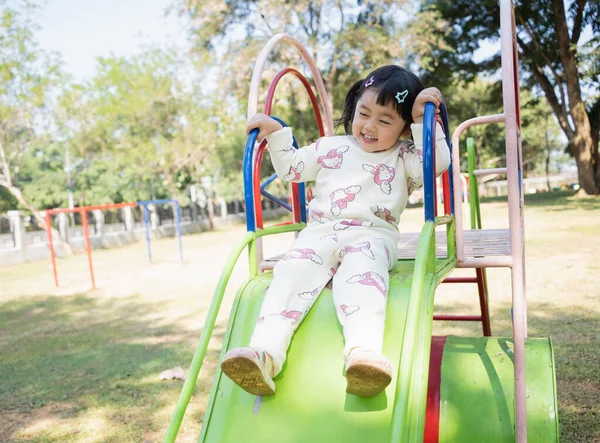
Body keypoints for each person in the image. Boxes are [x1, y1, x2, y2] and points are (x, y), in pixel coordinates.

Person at [221, 65, 450, 398]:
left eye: (385, 121)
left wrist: (423, 124)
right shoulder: (332, 147)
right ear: (353, 106)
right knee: (290, 273)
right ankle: (264, 354)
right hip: (320, 233)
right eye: (364, 113)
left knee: (363, 278)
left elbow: (437, 163)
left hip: (372, 236)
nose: (369, 126)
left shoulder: (404, 157)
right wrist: (277, 133)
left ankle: (362, 355)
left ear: (402, 129)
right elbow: (292, 168)